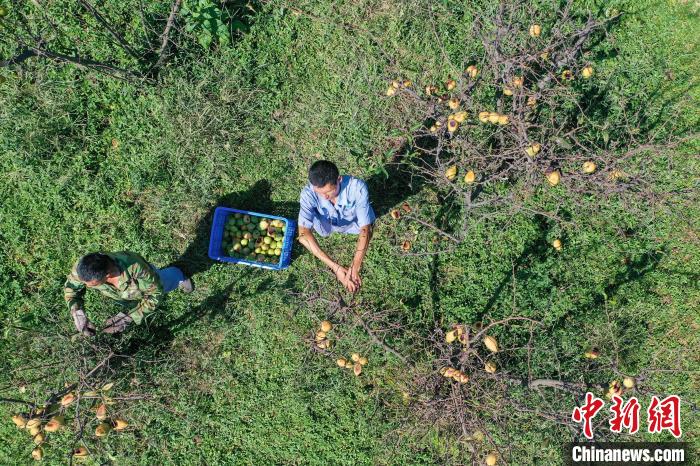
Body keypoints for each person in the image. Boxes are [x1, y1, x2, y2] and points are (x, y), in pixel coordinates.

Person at [64, 252, 192, 335]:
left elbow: (155, 295)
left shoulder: (137, 268)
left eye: (92, 285)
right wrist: (77, 311)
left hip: (150, 283)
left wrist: (129, 317)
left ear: (107, 275)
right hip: (123, 295)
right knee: (129, 300)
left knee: (165, 282)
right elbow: (72, 289)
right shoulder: (83, 268)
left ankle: (178, 274)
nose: (86, 287)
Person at [297, 160, 375, 292]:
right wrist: (335, 267)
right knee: (317, 233)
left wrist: (355, 266)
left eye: (328, 192)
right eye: (319, 193)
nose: (325, 197)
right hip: (326, 225)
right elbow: (303, 235)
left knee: (368, 226)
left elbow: (365, 229)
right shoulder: (308, 194)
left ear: (339, 179)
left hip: (353, 225)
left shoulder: (357, 188)